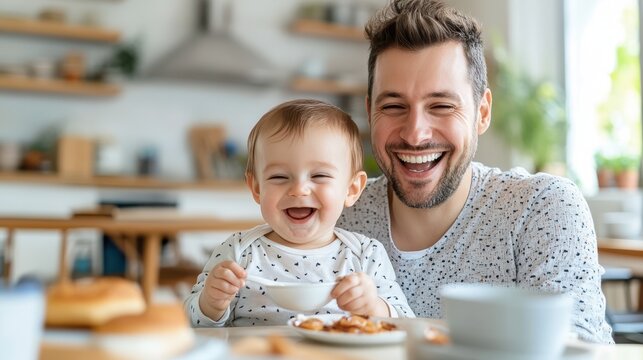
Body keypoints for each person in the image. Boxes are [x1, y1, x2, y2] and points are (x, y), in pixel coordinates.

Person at [337, 0, 613, 343]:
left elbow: (573, 348)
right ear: (370, 112)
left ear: (482, 113)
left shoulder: (543, 207)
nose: (415, 133)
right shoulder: (339, 213)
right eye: (394, 107)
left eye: (441, 106)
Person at [185, 99, 414, 326]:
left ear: (351, 189)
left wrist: (375, 306)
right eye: (279, 177)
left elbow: (409, 323)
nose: (299, 189)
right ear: (256, 188)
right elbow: (189, 323)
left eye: (319, 176)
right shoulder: (238, 253)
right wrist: (210, 304)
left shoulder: (365, 255)